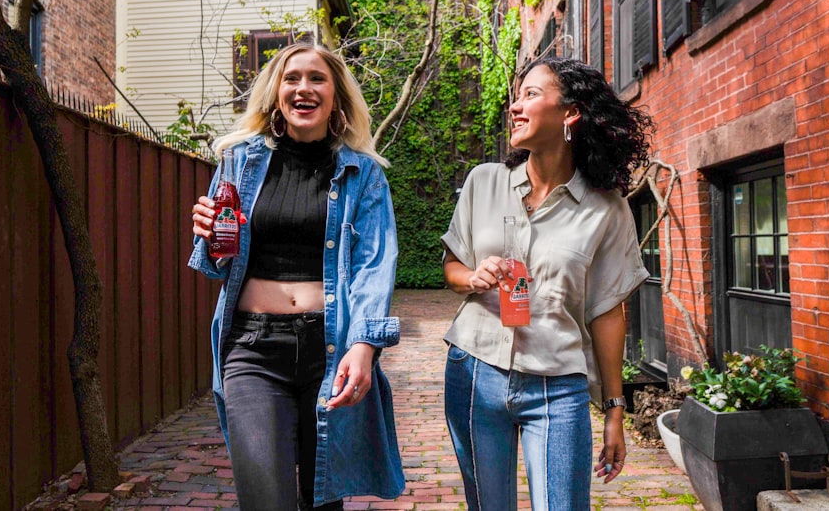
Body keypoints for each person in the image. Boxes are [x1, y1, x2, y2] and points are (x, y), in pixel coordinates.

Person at [188, 42, 405, 511]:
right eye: (291, 78)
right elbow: (214, 263)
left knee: (323, 500)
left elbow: (374, 265)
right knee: (267, 496)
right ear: (275, 94)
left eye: (317, 78)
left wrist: (365, 346)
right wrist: (207, 235)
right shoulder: (238, 162)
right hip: (252, 350)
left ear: (337, 97)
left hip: (331, 350)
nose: (303, 88)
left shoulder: (362, 174)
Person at [440, 57, 653, 510]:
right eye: (516, 97)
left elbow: (608, 312)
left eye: (531, 95)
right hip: (475, 371)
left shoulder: (606, 210)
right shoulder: (484, 182)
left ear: (570, 113)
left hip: (558, 386)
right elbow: (453, 266)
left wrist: (614, 412)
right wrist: (473, 277)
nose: (515, 107)